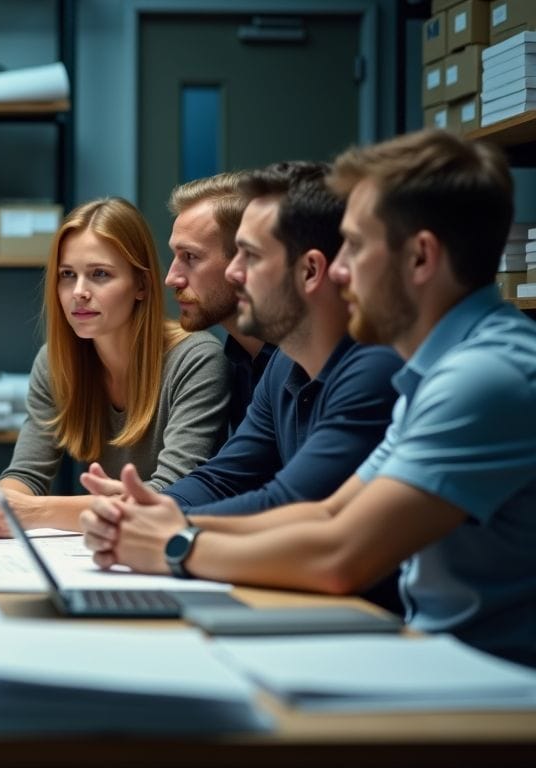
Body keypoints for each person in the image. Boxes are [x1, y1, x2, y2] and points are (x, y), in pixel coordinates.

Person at [82, 130, 536, 666]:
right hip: (442, 658)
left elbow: (341, 554)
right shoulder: (439, 368)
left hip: (493, 688)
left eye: (358, 247)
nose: (340, 271)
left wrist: (174, 545)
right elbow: (325, 516)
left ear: (420, 259)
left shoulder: (484, 376)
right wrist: (165, 522)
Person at [82, 162, 401, 516]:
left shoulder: (375, 366)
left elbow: (292, 504)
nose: (236, 272)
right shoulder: (283, 364)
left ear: (310, 270)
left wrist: (165, 526)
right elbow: (223, 478)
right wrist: (148, 507)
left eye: (250, 255)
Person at [0, 197, 229, 537]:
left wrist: (34, 511)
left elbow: (169, 497)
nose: (79, 292)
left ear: (141, 284)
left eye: (100, 275)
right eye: (67, 275)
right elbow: (27, 475)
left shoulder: (197, 359)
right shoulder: (55, 363)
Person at [164, 173, 276, 433]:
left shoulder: (302, 363)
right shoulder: (235, 362)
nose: (171, 278)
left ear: (245, 259)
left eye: (190, 256)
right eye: (175, 256)